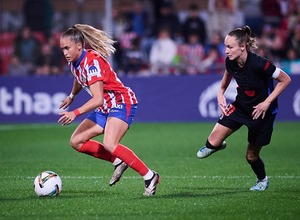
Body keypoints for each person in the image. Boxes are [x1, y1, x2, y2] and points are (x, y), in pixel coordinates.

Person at [58, 24, 160, 196]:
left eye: (67, 48)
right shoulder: (74, 62)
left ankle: (150, 176)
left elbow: (97, 99)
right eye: (62, 49)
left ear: (79, 46)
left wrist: (74, 112)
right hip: (105, 106)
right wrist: (71, 96)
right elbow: (79, 78)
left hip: (121, 101)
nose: (65, 52)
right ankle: (118, 160)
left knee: (110, 143)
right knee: (76, 141)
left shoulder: (91, 63)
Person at [196, 26, 291, 191]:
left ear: (242, 47)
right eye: (225, 46)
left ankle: (262, 180)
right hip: (241, 106)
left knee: (251, 156)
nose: (226, 51)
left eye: (230, 47)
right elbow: (227, 75)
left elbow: (285, 79)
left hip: (261, 112)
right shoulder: (230, 61)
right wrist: (220, 93)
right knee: (209, 146)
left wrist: (267, 102)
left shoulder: (260, 64)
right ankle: (218, 145)